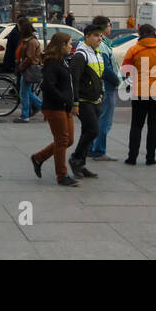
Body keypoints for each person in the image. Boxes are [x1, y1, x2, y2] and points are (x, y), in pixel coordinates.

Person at [30, 32, 79, 186]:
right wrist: (64, 99)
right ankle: (62, 175)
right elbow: (47, 85)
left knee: (68, 140)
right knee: (62, 140)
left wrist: (72, 102)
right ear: (61, 45)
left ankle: (38, 157)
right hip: (54, 107)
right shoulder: (52, 63)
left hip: (65, 107)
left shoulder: (63, 61)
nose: (71, 46)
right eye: (69, 43)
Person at [122, 23, 156, 165]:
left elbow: (126, 70)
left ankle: (132, 157)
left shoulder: (134, 49)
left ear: (140, 34)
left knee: (136, 125)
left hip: (140, 92)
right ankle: (150, 158)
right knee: (154, 125)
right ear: (154, 33)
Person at [67, 23, 107, 178]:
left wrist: (101, 93)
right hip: (83, 101)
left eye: (101, 35)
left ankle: (81, 164)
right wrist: (75, 103)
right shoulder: (80, 55)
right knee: (93, 130)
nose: (100, 38)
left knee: (88, 131)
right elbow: (74, 80)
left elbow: (100, 77)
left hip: (95, 100)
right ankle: (75, 158)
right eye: (96, 35)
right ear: (87, 36)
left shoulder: (97, 53)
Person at [87, 17, 121, 161]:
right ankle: (99, 151)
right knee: (104, 121)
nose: (110, 28)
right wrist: (117, 80)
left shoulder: (100, 44)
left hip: (98, 86)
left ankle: (90, 148)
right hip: (106, 87)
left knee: (95, 119)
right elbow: (106, 69)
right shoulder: (102, 45)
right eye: (109, 26)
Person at [14, 17, 42, 123]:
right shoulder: (28, 40)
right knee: (26, 92)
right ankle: (42, 108)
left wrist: (20, 67)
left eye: (19, 26)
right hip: (28, 68)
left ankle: (25, 115)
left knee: (24, 93)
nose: (18, 28)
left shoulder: (31, 41)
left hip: (29, 69)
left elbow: (29, 57)